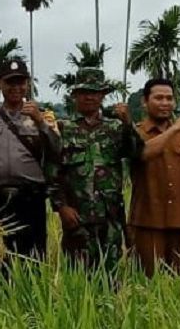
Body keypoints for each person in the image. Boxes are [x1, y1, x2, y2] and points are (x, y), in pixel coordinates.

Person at [0, 57, 59, 259]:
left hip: (30, 199)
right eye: (10, 82)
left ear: (28, 83)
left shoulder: (42, 116)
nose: (16, 87)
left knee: (33, 260)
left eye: (20, 82)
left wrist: (40, 122)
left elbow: (57, 151)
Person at [48, 68, 133, 267]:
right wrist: (61, 207)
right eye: (84, 92)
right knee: (78, 279)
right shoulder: (63, 129)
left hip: (109, 218)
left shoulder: (116, 128)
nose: (89, 97)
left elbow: (136, 153)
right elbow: (52, 173)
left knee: (110, 277)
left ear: (102, 95)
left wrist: (129, 123)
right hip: (77, 219)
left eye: (94, 92)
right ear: (75, 96)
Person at [127, 78, 180, 276]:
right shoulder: (136, 133)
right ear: (144, 101)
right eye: (158, 98)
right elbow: (143, 153)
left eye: (169, 98)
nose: (165, 103)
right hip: (147, 221)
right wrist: (174, 129)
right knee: (148, 282)